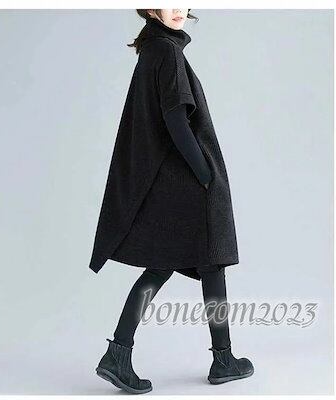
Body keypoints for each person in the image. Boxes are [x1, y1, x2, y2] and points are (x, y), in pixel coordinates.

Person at [89, 9, 254, 394]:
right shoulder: (167, 50)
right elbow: (175, 118)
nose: (178, 7)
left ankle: (118, 354)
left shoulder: (153, 48)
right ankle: (223, 359)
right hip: (185, 180)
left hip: (166, 179)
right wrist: (205, 174)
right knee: (211, 261)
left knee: (163, 266)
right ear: (150, 8)